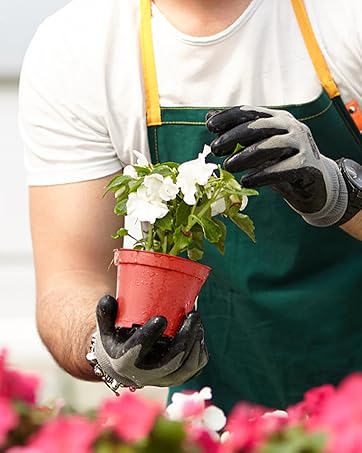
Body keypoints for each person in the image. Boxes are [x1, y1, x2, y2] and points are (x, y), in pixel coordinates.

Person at [18, 0, 362, 413]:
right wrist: (104, 346)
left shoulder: (345, 16)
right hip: (217, 412)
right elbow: (70, 278)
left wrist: (341, 194)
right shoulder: (79, 46)